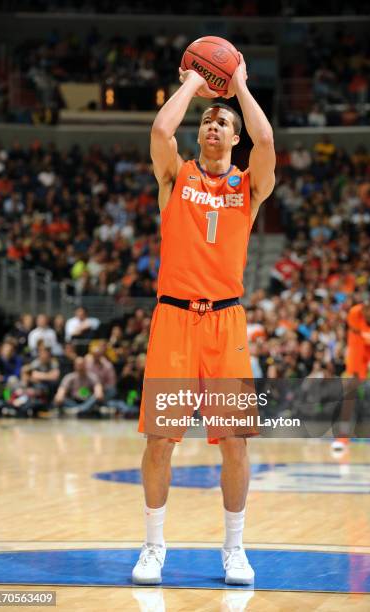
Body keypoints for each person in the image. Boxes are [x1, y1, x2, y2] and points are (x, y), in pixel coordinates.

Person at [132, 53, 275, 586]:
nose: (213, 126)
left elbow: (266, 143)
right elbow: (160, 128)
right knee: (160, 441)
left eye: (223, 122)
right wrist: (195, 82)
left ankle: (234, 550)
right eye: (207, 122)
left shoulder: (247, 186)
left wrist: (236, 84)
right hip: (173, 321)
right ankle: (153, 548)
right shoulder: (175, 175)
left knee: (236, 441)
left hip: (226, 323)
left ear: (233, 138)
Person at [332, 295, 370, 452]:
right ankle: (342, 437)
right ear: (362, 308)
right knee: (350, 389)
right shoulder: (354, 314)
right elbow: (356, 345)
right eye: (366, 310)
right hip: (360, 346)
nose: (369, 313)